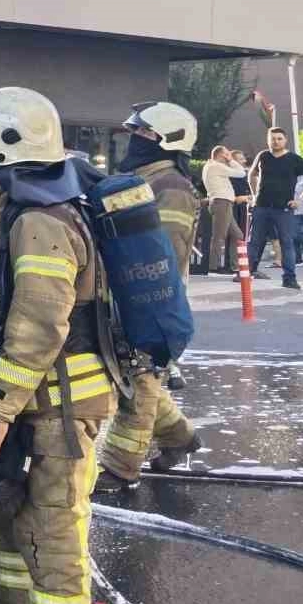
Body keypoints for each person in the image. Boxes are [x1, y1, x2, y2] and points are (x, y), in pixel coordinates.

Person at [0, 87, 112, 604]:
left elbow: (39, 328)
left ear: (3, 152)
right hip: (42, 399)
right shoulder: (29, 215)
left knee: (52, 530)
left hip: (59, 404)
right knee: (14, 515)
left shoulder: (43, 223)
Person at [94, 101, 203, 488]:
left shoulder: (170, 187)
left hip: (147, 301)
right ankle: (181, 439)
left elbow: (163, 259)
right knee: (141, 377)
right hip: (124, 297)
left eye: (143, 134)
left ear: (166, 140)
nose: (135, 140)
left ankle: (121, 469)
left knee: (139, 377)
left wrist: (139, 305)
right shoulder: (141, 179)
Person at [246, 127, 303, 291]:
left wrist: (299, 200)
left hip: (284, 208)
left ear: (285, 140)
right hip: (262, 206)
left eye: (279, 138)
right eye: (273, 138)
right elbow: (252, 174)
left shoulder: (294, 159)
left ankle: (289, 278)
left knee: (287, 243)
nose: (276, 141)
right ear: (268, 140)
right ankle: (247, 272)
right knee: (254, 241)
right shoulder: (263, 156)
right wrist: (254, 194)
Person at [202, 146, 247, 275]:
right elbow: (241, 173)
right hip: (222, 202)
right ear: (221, 155)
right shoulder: (216, 166)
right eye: (227, 154)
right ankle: (213, 267)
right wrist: (232, 161)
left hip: (223, 203)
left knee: (238, 235)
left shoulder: (211, 166)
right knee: (218, 236)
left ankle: (235, 266)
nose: (229, 157)